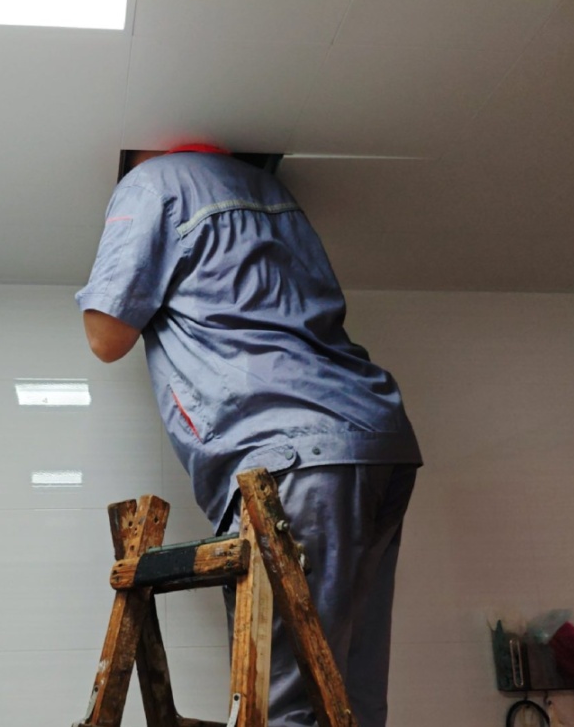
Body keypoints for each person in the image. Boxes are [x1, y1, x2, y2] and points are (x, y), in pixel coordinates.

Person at [75, 144, 422, 727]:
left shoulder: (151, 181)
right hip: (375, 435)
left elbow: (104, 337)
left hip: (291, 454)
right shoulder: (276, 195)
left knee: (285, 706)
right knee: (346, 695)